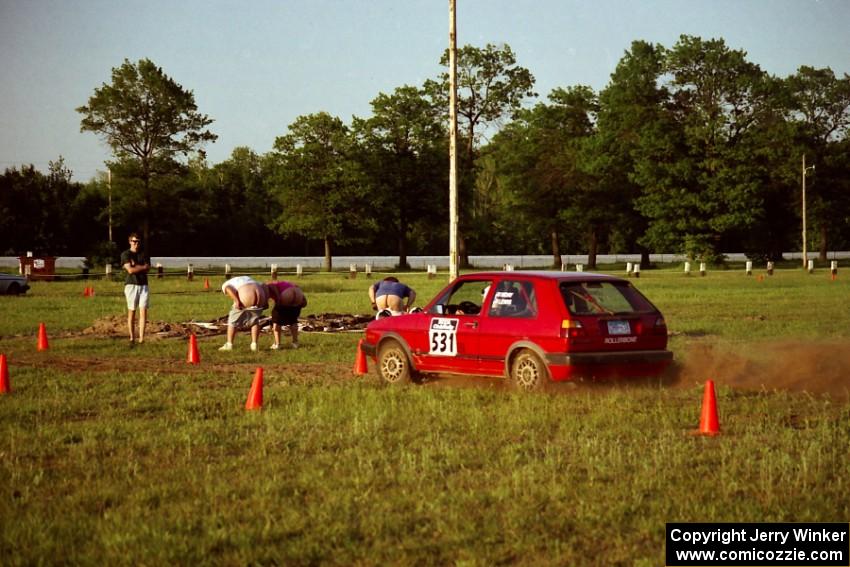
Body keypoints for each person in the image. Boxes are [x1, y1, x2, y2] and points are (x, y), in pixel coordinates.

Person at [219, 275, 269, 352]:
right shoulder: (249, 279)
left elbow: (228, 288)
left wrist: (237, 301)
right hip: (260, 296)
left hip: (246, 297)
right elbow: (264, 286)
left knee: (232, 322)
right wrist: (265, 300)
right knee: (254, 322)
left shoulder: (226, 283)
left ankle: (229, 344)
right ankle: (254, 344)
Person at [120, 232, 150, 345]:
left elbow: (148, 268)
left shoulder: (144, 254)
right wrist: (141, 267)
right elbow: (130, 270)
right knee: (132, 311)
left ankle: (142, 338)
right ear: (130, 242)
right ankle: (132, 338)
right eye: (134, 241)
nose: (136, 243)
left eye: (138, 241)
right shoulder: (125, 254)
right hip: (131, 285)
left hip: (143, 285)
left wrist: (135, 266)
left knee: (143, 312)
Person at [266, 280, 308, 350]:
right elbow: (296, 287)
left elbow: (272, 286)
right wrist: (303, 299)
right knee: (293, 320)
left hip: (286, 295)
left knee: (276, 321)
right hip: (298, 294)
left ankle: (277, 344)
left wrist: (278, 298)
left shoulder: (268, 285)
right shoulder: (285, 283)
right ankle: (295, 343)